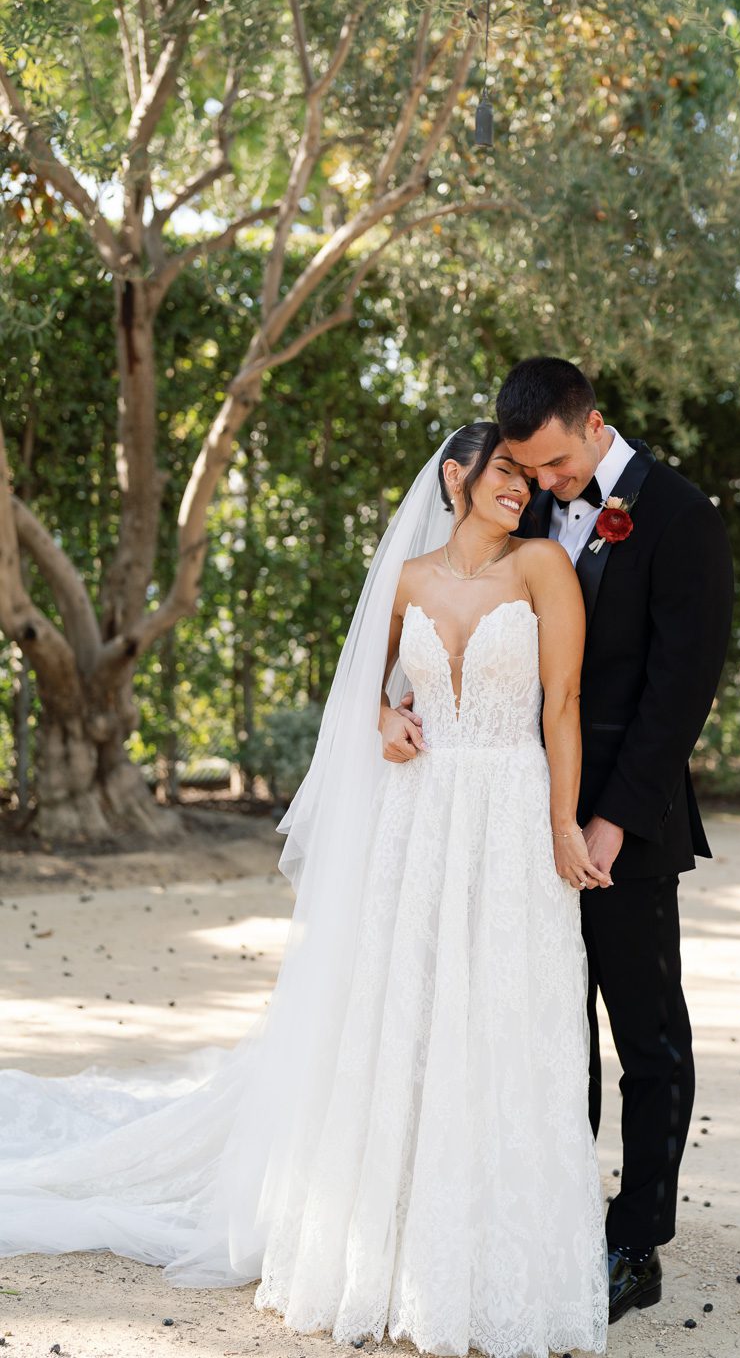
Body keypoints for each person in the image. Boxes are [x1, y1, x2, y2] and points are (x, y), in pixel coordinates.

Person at [0, 422, 609, 1358]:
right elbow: (354, 692)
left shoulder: (542, 571)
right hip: (418, 823)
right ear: (456, 477)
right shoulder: (404, 583)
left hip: (506, 809)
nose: (521, 490)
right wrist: (380, 719)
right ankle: (390, 1246)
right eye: (503, 473)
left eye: (529, 479)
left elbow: (561, 704)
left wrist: (564, 824)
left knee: (501, 1011)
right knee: (404, 1016)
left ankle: (494, 1257)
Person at [497, 358, 734, 1324]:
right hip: (520, 815)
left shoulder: (680, 516)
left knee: (645, 1036)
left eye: (555, 465)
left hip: (623, 825)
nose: (543, 486)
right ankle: (557, 1222)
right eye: (527, 469)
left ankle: (636, 1241)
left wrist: (611, 819)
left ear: (595, 426)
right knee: (553, 1033)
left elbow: (680, 691)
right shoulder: (520, 512)